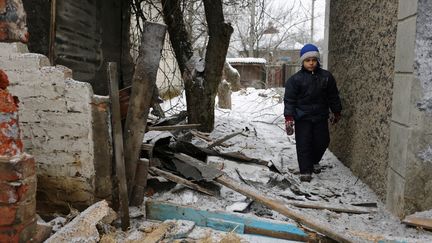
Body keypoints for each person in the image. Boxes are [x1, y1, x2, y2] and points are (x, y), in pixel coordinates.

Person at [284, 44, 342, 182]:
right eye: (307, 60)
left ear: (317, 61)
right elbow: (289, 100)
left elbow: (333, 96)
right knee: (303, 143)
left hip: (320, 116)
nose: (311, 63)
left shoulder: (326, 77)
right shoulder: (295, 80)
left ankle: (314, 161)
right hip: (302, 117)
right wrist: (289, 118)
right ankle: (305, 170)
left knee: (323, 141)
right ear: (302, 62)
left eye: (314, 60)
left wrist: (336, 111)